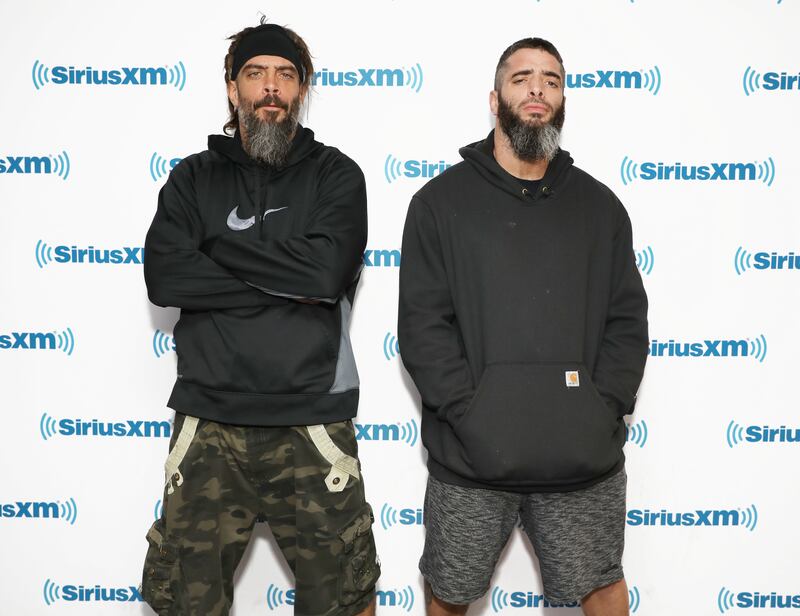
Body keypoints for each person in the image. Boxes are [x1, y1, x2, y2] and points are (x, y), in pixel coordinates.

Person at [398, 37, 648, 616]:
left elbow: (626, 321)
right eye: (522, 78)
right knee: (450, 593)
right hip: (471, 460)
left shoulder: (601, 208)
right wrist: (470, 413)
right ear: (495, 98)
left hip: (581, 456)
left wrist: (599, 406)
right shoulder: (438, 204)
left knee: (603, 587)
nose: (537, 88)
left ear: (562, 101)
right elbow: (423, 325)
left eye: (551, 80)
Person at [139, 21, 379, 616]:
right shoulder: (193, 177)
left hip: (313, 425)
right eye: (255, 74)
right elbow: (166, 278)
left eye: (285, 75)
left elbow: (325, 276)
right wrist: (284, 282)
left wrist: (213, 246)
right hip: (208, 424)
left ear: (301, 90)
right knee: (185, 604)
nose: (270, 87)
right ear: (232, 88)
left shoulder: (336, 175)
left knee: (342, 603)